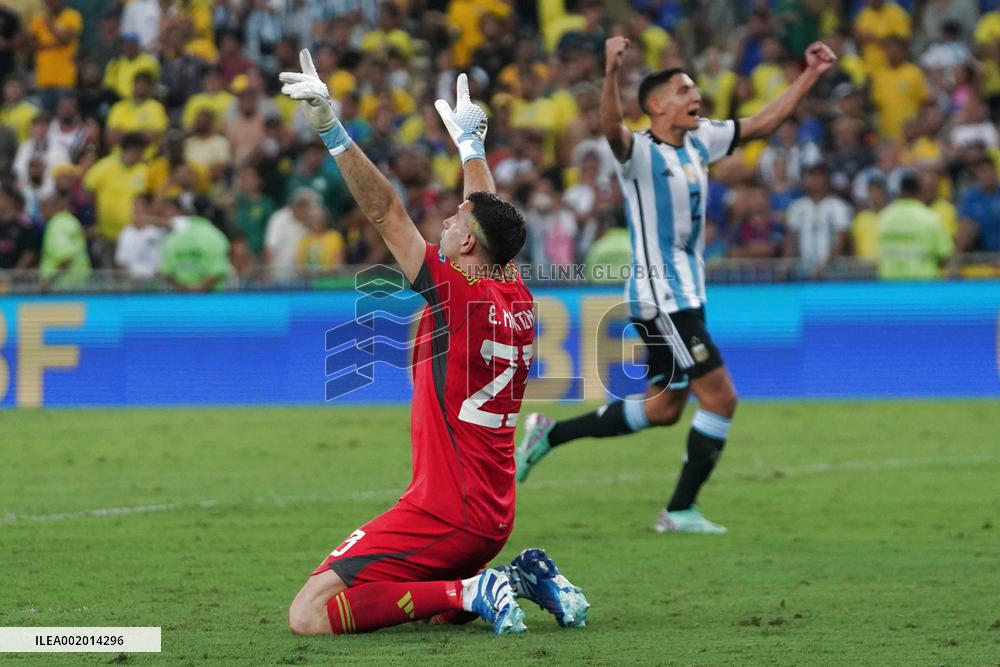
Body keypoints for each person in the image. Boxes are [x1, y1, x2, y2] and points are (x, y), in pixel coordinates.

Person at [280, 53, 588, 636]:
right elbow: (489, 217)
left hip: (446, 513)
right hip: (491, 517)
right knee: (423, 600)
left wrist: (331, 128)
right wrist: (472, 149)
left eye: (452, 219)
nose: (444, 221)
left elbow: (386, 211)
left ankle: (475, 586)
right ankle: (514, 577)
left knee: (309, 614)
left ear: (468, 244)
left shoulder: (456, 294)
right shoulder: (513, 292)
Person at [516, 36, 838, 534]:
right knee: (721, 398)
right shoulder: (639, 154)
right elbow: (610, 129)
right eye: (685, 90)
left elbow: (762, 124)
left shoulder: (700, 139)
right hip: (662, 297)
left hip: (687, 295)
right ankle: (680, 511)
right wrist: (609, 74)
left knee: (666, 407)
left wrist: (811, 74)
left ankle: (549, 434)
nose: (696, 97)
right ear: (656, 105)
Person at [876, 172, 953, 280]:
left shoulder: (884, 217)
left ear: (900, 191)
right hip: (923, 283)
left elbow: (877, 252)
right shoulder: (930, 218)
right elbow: (945, 254)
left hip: (890, 283)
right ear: (919, 191)